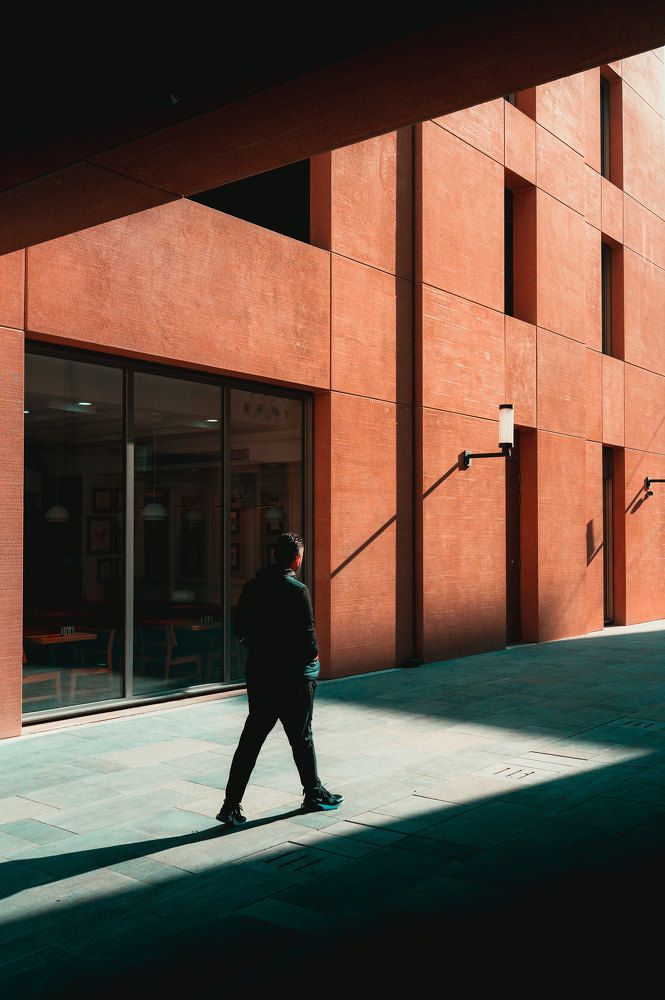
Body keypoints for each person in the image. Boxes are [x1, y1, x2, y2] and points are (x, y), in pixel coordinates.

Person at [216, 532, 343, 827]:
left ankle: (230, 805)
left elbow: (240, 631)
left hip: (260, 675)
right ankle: (313, 794)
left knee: (250, 741)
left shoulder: (252, 587)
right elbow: (310, 643)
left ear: (275, 555)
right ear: (297, 559)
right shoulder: (297, 590)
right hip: (293, 679)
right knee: (301, 737)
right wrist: (310, 662)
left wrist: (260, 651)